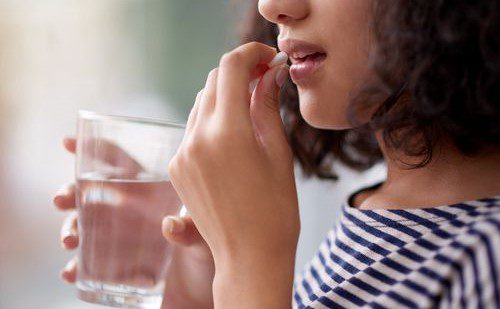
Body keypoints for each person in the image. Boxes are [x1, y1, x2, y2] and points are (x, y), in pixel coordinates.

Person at [54, 0, 500, 308]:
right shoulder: (375, 217)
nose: (271, 7)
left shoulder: (488, 258)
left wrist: (248, 265)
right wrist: (206, 287)